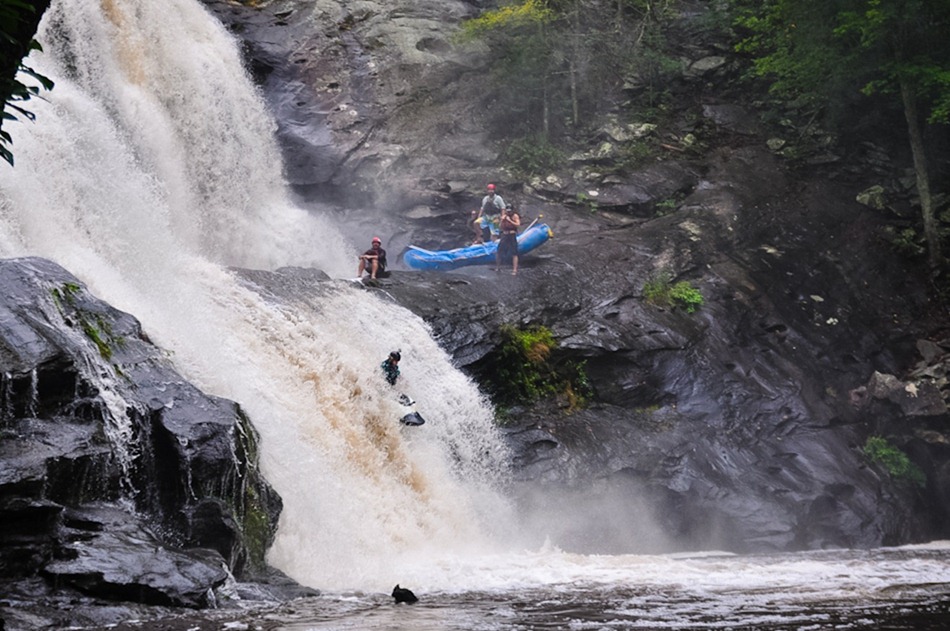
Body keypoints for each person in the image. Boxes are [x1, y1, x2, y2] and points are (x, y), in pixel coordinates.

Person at [496, 204, 521, 275]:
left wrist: (510, 220)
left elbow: (518, 224)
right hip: (505, 235)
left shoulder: (515, 216)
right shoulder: (504, 216)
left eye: (510, 211)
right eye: (508, 211)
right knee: (499, 251)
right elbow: (500, 226)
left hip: (512, 235)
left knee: (514, 252)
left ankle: (514, 270)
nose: (509, 213)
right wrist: (502, 220)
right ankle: (498, 267)